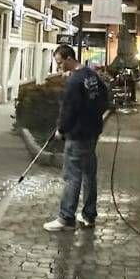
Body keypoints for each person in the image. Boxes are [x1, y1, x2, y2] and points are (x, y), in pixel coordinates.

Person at [45, 44, 110, 232]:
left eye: (60, 63)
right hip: (92, 133)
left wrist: (61, 130)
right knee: (89, 174)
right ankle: (89, 215)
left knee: (72, 175)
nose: (59, 68)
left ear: (68, 59)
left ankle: (66, 217)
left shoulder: (74, 82)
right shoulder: (91, 75)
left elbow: (69, 110)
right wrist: (93, 119)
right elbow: (104, 100)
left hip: (77, 135)